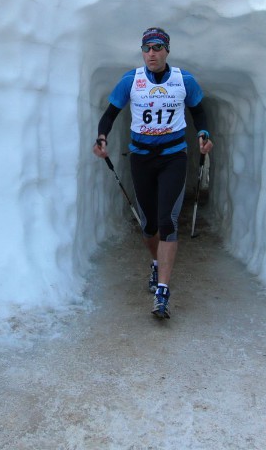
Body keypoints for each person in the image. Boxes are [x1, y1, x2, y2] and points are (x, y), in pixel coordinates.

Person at [93, 27, 214, 319]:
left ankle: (162, 290)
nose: (152, 53)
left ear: (167, 51)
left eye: (158, 47)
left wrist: (204, 132)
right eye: (147, 48)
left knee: (167, 221)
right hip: (142, 158)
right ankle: (156, 263)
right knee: (148, 225)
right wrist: (102, 137)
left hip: (173, 157)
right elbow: (110, 114)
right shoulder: (130, 80)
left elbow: (198, 111)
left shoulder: (183, 80)